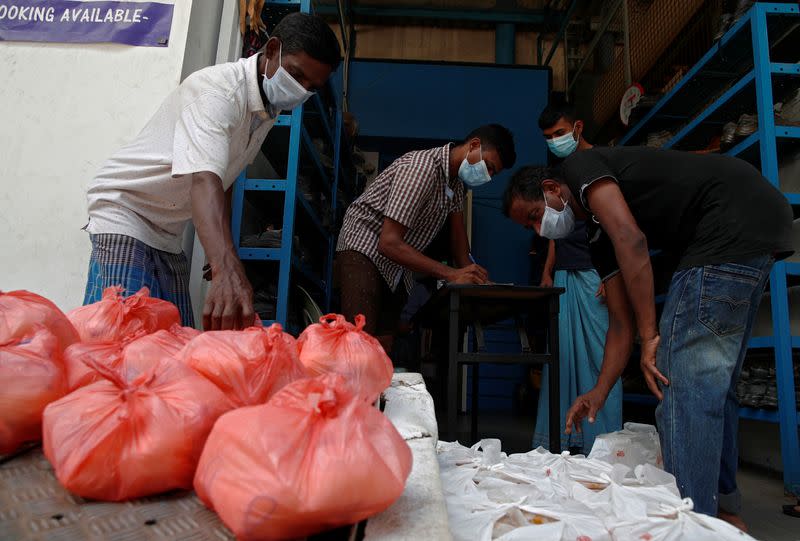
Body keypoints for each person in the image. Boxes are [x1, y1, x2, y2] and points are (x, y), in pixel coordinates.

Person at [503, 148, 793, 529]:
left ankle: (690, 523)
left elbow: (633, 239)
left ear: (551, 188)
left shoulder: (579, 169)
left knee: (682, 382)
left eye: (536, 216)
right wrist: (600, 390)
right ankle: (723, 512)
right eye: (530, 228)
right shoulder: (596, 234)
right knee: (712, 387)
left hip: (726, 223)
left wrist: (651, 335)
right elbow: (620, 323)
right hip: (757, 226)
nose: (539, 231)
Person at [82, 13, 341, 330]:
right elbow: (204, 179)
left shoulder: (264, 111)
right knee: (117, 341)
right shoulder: (217, 93)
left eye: (310, 87)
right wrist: (224, 265)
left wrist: (219, 249)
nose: (300, 91)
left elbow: (223, 178)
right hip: (126, 211)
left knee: (176, 342)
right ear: (272, 50)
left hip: (166, 232)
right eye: (296, 75)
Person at [336, 125, 516, 348]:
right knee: (359, 340)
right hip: (364, 248)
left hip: (395, 264)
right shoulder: (422, 168)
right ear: (474, 145)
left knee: (383, 344)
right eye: (488, 166)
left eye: (493, 173)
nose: (487, 176)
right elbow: (389, 242)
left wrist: (480, 282)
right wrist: (452, 274)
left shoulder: (456, 184)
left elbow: (461, 251)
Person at [531, 104, 622, 453]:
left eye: (559, 133)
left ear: (578, 127)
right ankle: (562, 439)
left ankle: (605, 445)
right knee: (562, 360)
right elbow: (557, 230)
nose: (555, 141)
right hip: (565, 278)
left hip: (597, 276)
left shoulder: (602, 163)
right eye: (548, 137)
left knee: (601, 359)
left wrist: (615, 275)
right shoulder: (559, 172)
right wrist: (547, 270)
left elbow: (619, 224)